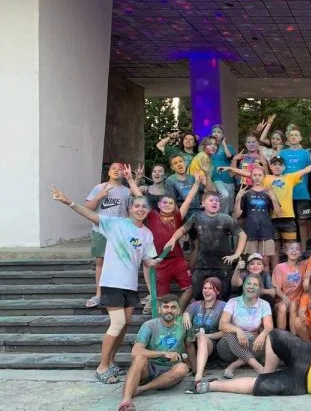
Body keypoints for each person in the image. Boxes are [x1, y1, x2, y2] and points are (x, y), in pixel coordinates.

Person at [50, 184, 159, 384]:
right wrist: (69, 202)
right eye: (137, 206)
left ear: (148, 210)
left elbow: (146, 259)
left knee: (125, 323)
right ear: (130, 208)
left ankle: (111, 361)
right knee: (117, 323)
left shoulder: (147, 234)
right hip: (112, 281)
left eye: (144, 207)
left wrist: (153, 262)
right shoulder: (115, 224)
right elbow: (90, 215)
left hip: (130, 285)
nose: (140, 209)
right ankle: (102, 367)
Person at [126, 171, 200, 314]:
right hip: (159, 262)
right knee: (161, 297)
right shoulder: (152, 216)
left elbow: (188, 200)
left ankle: (178, 312)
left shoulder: (177, 217)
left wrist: (196, 184)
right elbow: (140, 196)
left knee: (190, 289)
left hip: (177, 260)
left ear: (174, 206)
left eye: (171, 203)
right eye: (164, 202)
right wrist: (130, 181)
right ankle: (164, 318)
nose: (168, 205)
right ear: (158, 205)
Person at [117, 295, 192, 411]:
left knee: (183, 368)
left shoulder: (183, 324)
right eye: (166, 307)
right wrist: (163, 353)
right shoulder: (149, 325)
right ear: (159, 310)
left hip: (169, 370)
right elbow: (136, 351)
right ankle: (125, 401)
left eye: (173, 307)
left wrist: (196, 370)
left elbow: (190, 346)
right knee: (139, 358)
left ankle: (141, 389)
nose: (169, 310)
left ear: (178, 310)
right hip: (149, 367)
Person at [163, 191, 247, 301]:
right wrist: (173, 239)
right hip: (202, 265)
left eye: (217, 201)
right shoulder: (197, 217)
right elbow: (182, 229)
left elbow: (242, 235)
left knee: (222, 297)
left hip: (223, 266)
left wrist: (236, 254)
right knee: (198, 295)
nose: (214, 202)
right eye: (211, 200)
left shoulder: (226, 219)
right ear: (203, 203)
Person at [83, 162, 132, 308]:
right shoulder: (99, 187)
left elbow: (130, 213)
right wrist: (99, 196)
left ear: (124, 173)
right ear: (109, 172)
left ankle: (119, 293)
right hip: (100, 230)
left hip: (119, 232)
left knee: (120, 261)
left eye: (120, 169)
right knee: (101, 261)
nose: (116, 171)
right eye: (113, 168)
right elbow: (87, 208)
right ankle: (99, 294)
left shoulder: (127, 191)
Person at [217, 274, 273, 379]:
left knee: (270, 337)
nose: (251, 286)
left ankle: (234, 365)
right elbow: (222, 324)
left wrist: (263, 334)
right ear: (243, 286)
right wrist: (238, 330)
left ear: (259, 289)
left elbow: (269, 327)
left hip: (253, 346)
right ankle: (258, 367)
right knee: (230, 335)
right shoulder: (233, 302)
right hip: (229, 349)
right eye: (248, 283)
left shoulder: (264, 304)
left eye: (255, 284)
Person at [232, 165, 281, 271]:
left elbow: (278, 214)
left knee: (265, 261)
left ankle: (265, 279)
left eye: (259, 175)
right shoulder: (246, 192)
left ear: (264, 176)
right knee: (252, 260)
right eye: (255, 175)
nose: (257, 177)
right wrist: (238, 198)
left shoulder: (268, 192)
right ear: (251, 176)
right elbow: (237, 214)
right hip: (251, 230)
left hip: (266, 230)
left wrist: (273, 198)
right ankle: (253, 280)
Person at [184, 277, 226, 386]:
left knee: (202, 338)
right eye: (205, 288)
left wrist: (206, 336)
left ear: (217, 291)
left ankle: (198, 376)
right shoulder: (195, 305)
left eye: (210, 288)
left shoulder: (223, 306)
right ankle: (193, 368)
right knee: (187, 337)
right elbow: (186, 314)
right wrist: (185, 315)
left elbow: (225, 332)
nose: (206, 291)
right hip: (191, 343)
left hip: (211, 344)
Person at [280, 125, 311, 249]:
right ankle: (288, 250)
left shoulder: (306, 153)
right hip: (286, 193)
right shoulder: (282, 153)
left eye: (296, 135)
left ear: (300, 138)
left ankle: (303, 250)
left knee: (302, 221)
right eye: (291, 135)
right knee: (287, 222)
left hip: (302, 192)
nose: (293, 137)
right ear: (288, 138)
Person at [272, 241, 306, 331]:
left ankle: (293, 336)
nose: (294, 251)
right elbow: (277, 289)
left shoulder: (303, 266)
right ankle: (281, 335)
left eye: (297, 249)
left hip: (297, 301)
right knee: (282, 307)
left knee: (293, 304)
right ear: (287, 252)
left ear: (300, 253)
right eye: (291, 249)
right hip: (281, 300)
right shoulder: (279, 267)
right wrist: (284, 297)